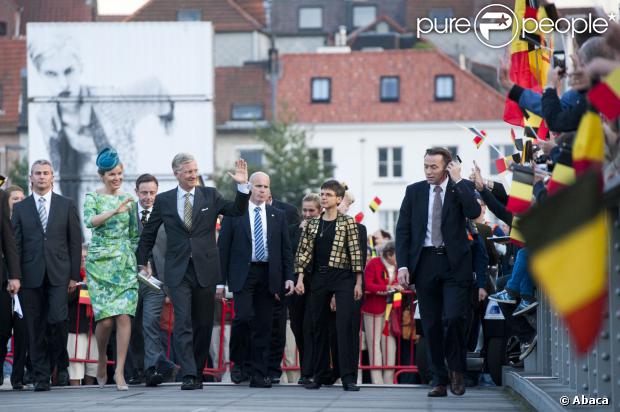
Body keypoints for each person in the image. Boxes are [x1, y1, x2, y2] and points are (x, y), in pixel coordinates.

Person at [28, 34, 174, 219]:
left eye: (68, 71)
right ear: (39, 73)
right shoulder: (46, 115)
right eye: (51, 74)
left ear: (81, 67)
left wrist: (169, 124)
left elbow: (156, 88)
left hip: (125, 204)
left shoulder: (111, 101)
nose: (62, 83)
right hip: (84, 210)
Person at [136, 153, 250, 390]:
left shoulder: (210, 195)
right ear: (176, 173)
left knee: (203, 323)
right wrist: (142, 262)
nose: (193, 175)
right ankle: (188, 374)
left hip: (205, 270)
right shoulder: (165, 200)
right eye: (188, 171)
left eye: (195, 170)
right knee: (183, 323)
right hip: (177, 271)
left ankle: (197, 370)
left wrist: (242, 185)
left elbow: (236, 210)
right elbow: (148, 234)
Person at [395, 147, 481, 397]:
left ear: (446, 167)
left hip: (455, 265)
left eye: (434, 167)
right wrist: (403, 265)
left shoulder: (459, 188)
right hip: (425, 263)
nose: (429, 171)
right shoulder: (414, 192)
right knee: (431, 325)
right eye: (426, 166)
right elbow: (403, 231)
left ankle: (457, 370)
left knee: (454, 318)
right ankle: (439, 379)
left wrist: (458, 181)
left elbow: (475, 213)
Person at [219, 172, 294, 388]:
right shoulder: (235, 213)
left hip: (269, 274)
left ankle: (259, 374)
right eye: (258, 186)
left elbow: (285, 251)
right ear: (250, 187)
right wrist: (220, 283)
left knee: (263, 325)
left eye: (266, 186)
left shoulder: (277, 215)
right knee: (242, 319)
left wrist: (288, 277)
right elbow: (223, 249)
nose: (262, 190)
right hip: (244, 273)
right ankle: (239, 363)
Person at [12, 160, 82, 392]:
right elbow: (16, 245)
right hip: (30, 276)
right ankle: (41, 375)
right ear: (31, 178)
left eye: (45, 173)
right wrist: (15, 276)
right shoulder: (21, 208)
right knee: (34, 326)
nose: (41, 177)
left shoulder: (66, 204)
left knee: (57, 320)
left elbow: (74, 241)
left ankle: (60, 362)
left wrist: (73, 275)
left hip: (59, 274)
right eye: (37, 174)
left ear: (53, 177)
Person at [295, 180, 363, 392]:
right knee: (318, 326)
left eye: (328, 195)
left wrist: (358, 282)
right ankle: (319, 374)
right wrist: (299, 279)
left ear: (338, 199)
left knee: (345, 326)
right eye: (322, 194)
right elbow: (303, 253)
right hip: (318, 278)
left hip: (343, 277)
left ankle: (348, 377)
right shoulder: (313, 224)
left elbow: (356, 254)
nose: (323, 197)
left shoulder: (348, 222)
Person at [83, 148, 139, 391]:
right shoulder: (92, 197)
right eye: (111, 175)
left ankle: (119, 372)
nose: (116, 178)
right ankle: (103, 357)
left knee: (125, 315)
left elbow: (134, 234)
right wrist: (115, 211)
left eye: (119, 174)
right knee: (105, 322)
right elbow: (90, 221)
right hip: (100, 264)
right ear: (101, 176)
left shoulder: (130, 200)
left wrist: (135, 259)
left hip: (124, 263)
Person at [129, 173, 175, 387]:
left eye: (152, 193)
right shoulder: (127, 214)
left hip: (156, 282)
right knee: (133, 326)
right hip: (129, 281)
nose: (148, 197)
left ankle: (151, 369)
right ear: (136, 192)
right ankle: (139, 368)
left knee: (150, 324)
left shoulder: (167, 215)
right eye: (144, 192)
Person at [289, 193, 321, 385]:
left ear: (319, 211)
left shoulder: (325, 228)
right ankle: (306, 368)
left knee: (311, 327)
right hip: (295, 285)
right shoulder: (293, 230)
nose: (308, 214)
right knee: (297, 327)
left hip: (315, 284)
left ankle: (309, 371)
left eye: (312, 210)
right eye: (305, 210)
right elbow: (288, 253)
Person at [361, 241, 402, 384]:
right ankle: (377, 381)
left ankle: (389, 381)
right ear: (390, 254)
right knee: (374, 345)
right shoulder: (374, 263)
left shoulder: (397, 267)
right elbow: (368, 285)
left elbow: (400, 284)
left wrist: (397, 286)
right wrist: (389, 287)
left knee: (390, 346)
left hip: (391, 311)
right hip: (373, 310)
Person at [0, 186, 25, 390]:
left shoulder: (0, 196)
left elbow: (8, 239)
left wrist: (14, 276)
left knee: (3, 325)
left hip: (2, 274)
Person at [66, 244, 97, 386]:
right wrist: (81, 287)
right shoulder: (70, 276)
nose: (84, 260)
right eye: (81, 257)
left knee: (94, 363)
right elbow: (65, 299)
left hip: (94, 325)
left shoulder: (98, 274)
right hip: (76, 324)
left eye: (86, 257)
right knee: (75, 361)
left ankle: (90, 389)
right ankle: (75, 391)